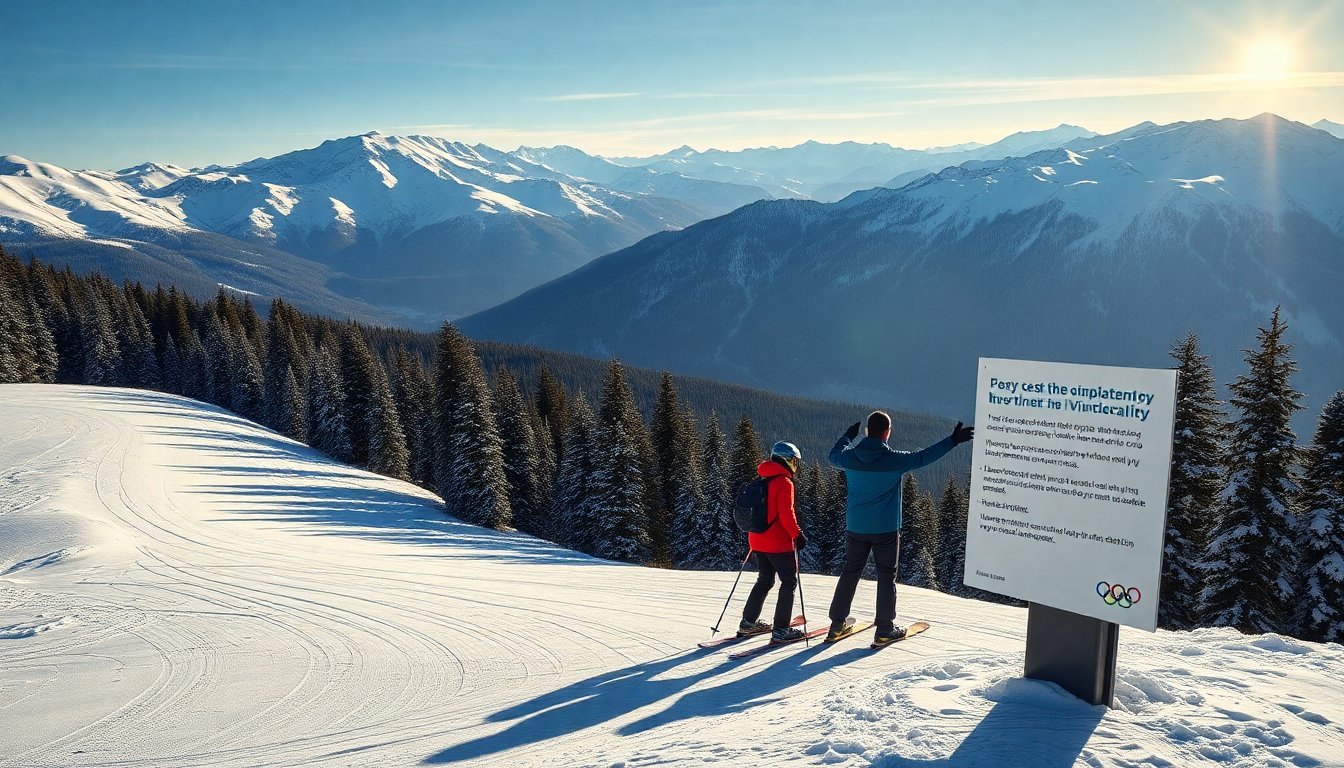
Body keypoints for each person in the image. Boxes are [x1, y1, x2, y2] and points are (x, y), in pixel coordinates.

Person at [826, 411, 974, 643]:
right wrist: (953, 440)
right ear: (887, 433)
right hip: (885, 530)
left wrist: (847, 436)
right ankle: (884, 629)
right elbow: (924, 456)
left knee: (850, 571)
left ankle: (836, 625)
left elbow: (833, 455)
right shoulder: (894, 460)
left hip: (856, 527)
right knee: (886, 576)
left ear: (867, 431)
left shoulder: (849, 458)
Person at [739, 441, 809, 642]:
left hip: (757, 540)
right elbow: (786, 514)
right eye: (794, 461)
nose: (796, 465)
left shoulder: (762, 479)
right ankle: (781, 630)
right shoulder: (784, 483)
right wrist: (798, 535)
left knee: (765, 579)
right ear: (787, 460)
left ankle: (747, 623)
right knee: (789, 581)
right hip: (777, 542)